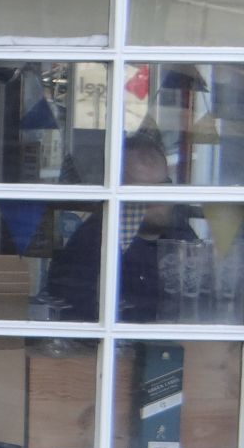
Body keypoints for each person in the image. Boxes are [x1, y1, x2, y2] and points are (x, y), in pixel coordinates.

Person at [46, 132, 196, 322]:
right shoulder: (94, 243)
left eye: (163, 186)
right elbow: (74, 313)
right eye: (143, 191)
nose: (158, 199)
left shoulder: (181, 235)